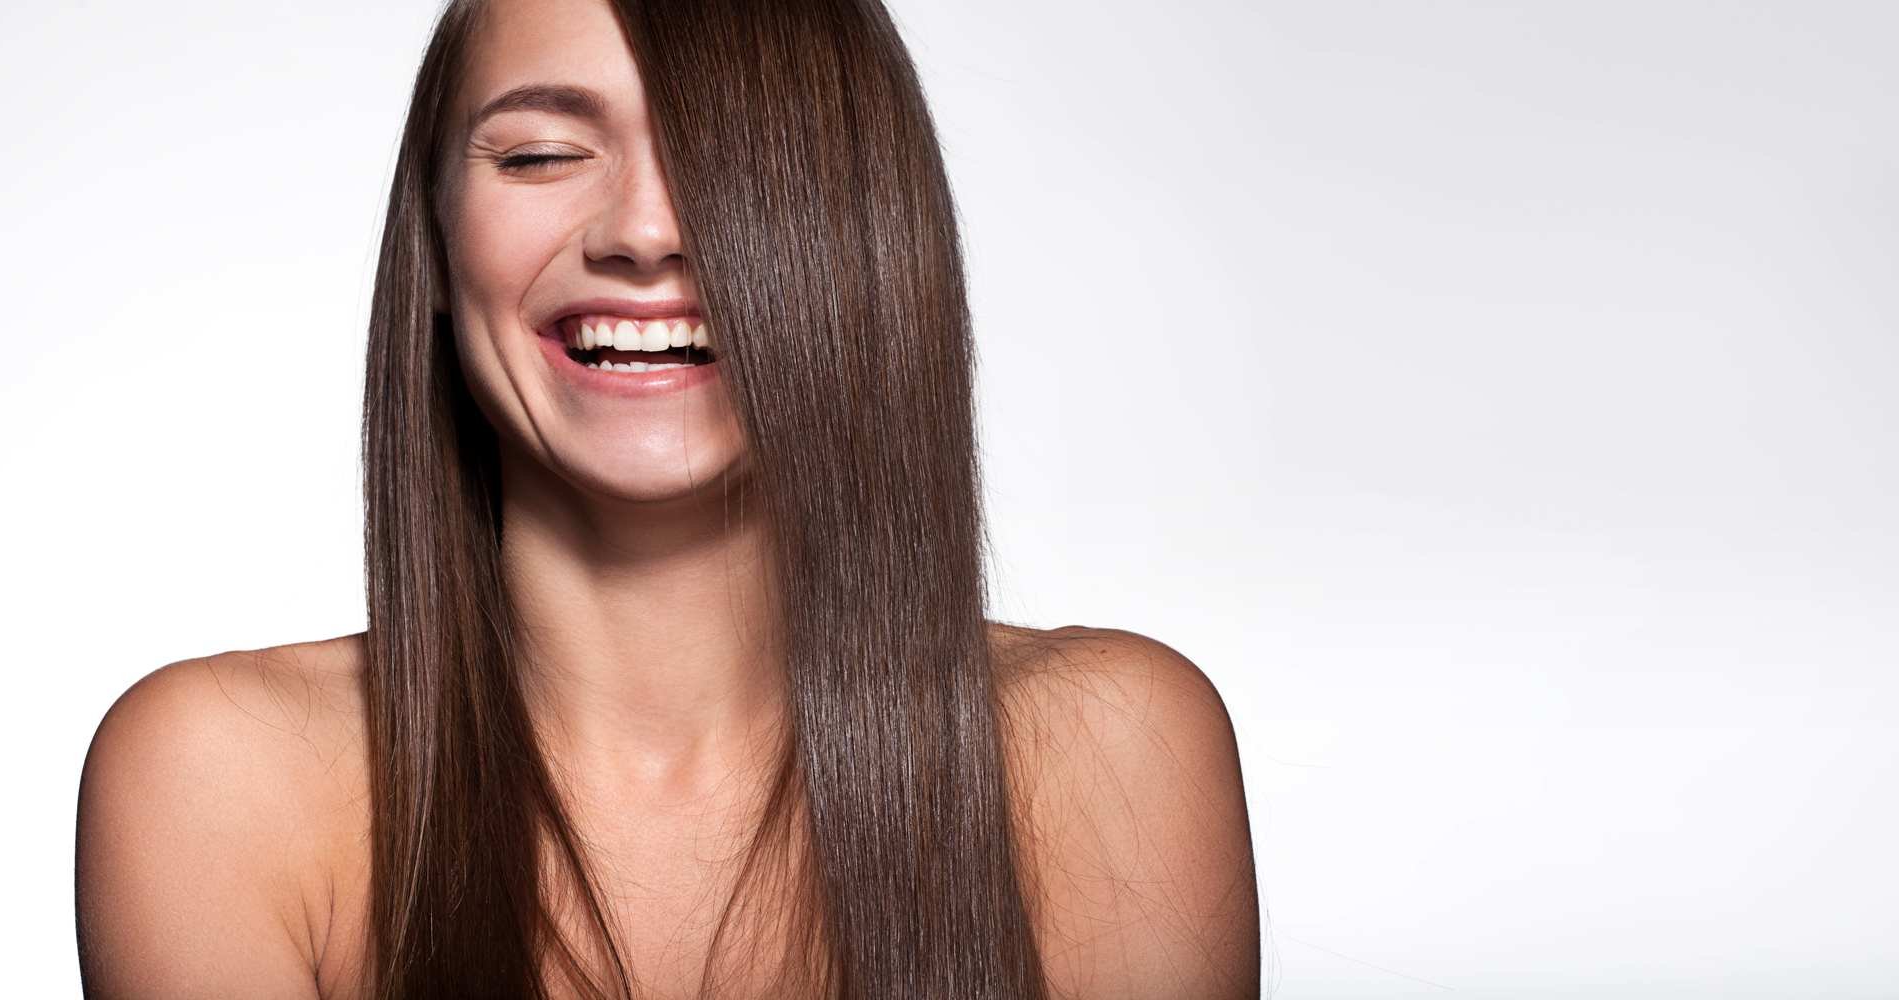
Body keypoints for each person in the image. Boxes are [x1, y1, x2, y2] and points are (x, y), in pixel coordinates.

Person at [73, 0, 1261, 997]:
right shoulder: (218, 782)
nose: (647, 232)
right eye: (540, 153)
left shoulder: (1112, 752)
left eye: (734, 154)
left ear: (866, 238)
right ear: (433, 250)